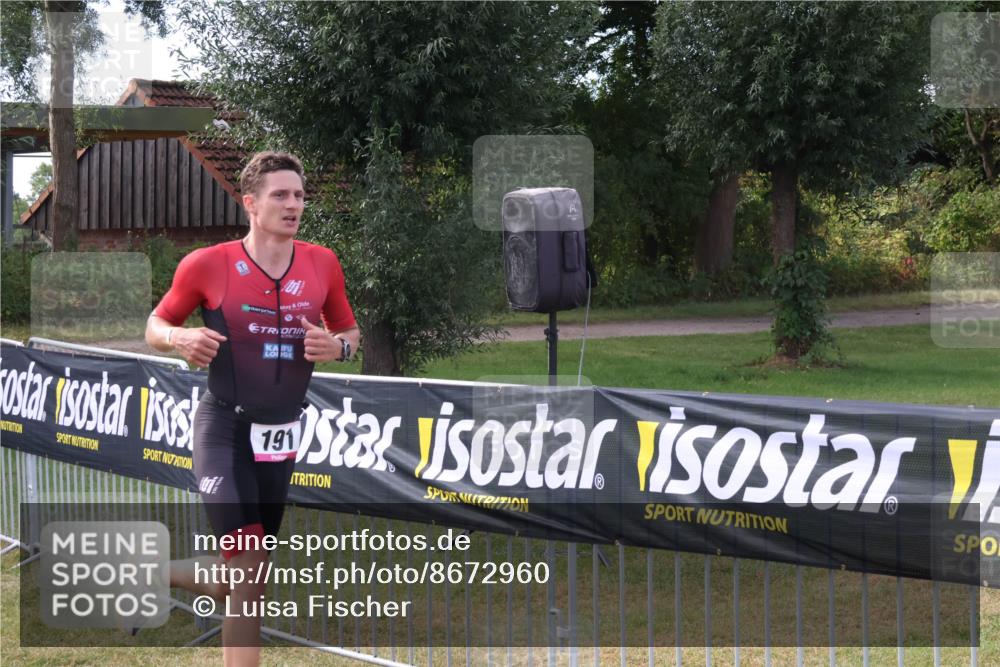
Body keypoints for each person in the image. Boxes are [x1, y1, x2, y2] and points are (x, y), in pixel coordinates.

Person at [145, 151, 359, 666]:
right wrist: (179, 336)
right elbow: (154, 325)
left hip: (280, 436)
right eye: (280, 195)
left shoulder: (322, 263)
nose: (293, 205)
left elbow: (350, 332)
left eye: (300, 195)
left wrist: (341, 348)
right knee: (246, 562)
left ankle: (142, 570)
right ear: (250, 203)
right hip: (224, 430)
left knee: (248, 575)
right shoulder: (208, 263)